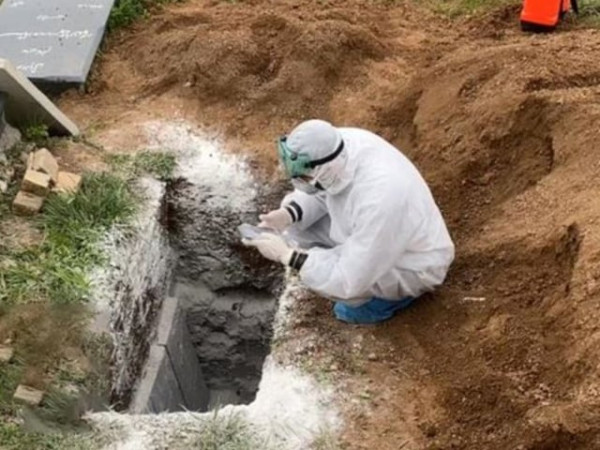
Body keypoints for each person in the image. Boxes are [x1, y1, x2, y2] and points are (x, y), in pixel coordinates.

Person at [243, 119, 455, 324]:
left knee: (347, 308)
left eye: (304, 178)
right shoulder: (334, 147)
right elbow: (321, 190)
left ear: (325, 171)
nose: (299, 183)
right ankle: (320, 262)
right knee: (296, 229)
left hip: (412, 261)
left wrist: (289, 256)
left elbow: (349, 279)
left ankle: (396, 298)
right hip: (372, 231)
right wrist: (289, 214)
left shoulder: (381, 197)